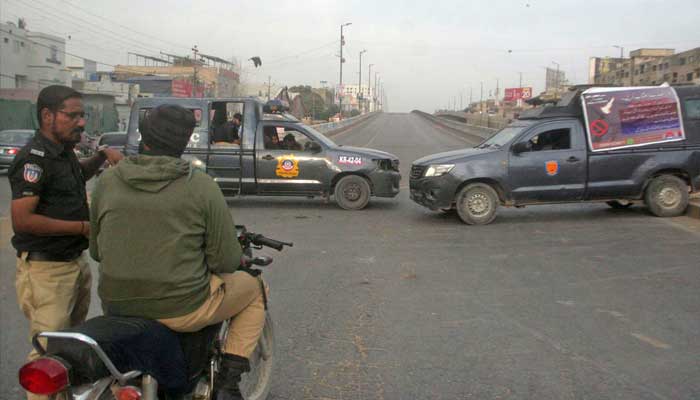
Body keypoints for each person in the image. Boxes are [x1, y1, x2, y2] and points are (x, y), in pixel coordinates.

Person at [90, 104, 265, 400]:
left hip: (116, 304)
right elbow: (224, 259)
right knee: (255, 289)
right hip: (181, 307)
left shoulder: (107, 181)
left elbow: (96, 251)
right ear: (185, 142)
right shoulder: (201, 186)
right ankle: (227, 384)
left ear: (143, 137)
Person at [9, 85, 123, 400]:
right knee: (47, 359)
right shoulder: (34, 158)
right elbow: (23, 219)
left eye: (82, 115)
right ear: (48, 116)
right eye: (72, 115)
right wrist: (83, 227)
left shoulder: (62, 152)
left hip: (72, 264)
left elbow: (75, 177)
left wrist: (100, 156)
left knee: (69, 353)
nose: (81, 122)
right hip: (47, 272)